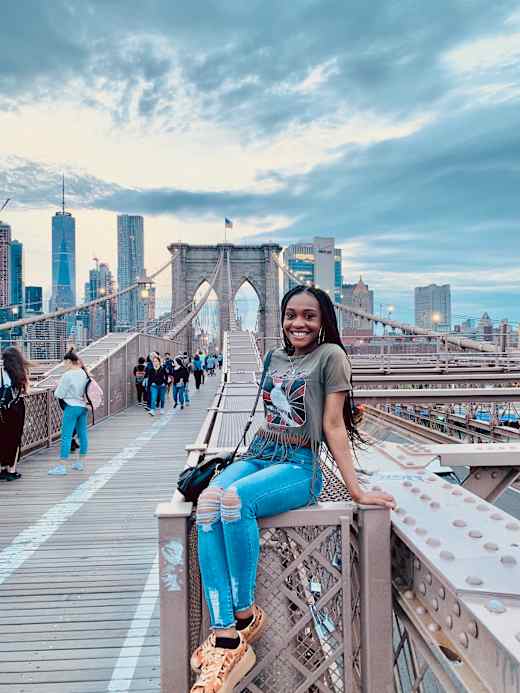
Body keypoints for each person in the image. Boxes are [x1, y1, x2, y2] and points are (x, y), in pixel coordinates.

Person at [189, 285, 396, 693]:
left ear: (322, 323)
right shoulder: (274, 356)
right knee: (208, 502)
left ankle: (244, 618)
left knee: (234, 502)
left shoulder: (332, 357)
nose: (298, 323)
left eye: (309, 316)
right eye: (291, 315)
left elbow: (333, 425)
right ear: (281, 318)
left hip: (299, 465)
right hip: (259, 452)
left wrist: (356, 490)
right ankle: (223, 632)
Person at [49, 350, 89, 475]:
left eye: (64, 362)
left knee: (66, 436)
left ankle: (62, 466)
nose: (63, 365)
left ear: (68, 361)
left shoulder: (67, 375)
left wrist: (57, 387)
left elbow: (59, 394)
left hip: (71, 407)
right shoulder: (83, 372)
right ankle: (80, 463)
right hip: (83, 407)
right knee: (82, 434)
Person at [0, 346, 29, 482]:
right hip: (17, 408)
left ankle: (2, 469)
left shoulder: (1, 371)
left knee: (2, 437)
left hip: (2, 410)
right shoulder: (20, 372)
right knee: (15, 438)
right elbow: (25, 391)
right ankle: (12, 470)